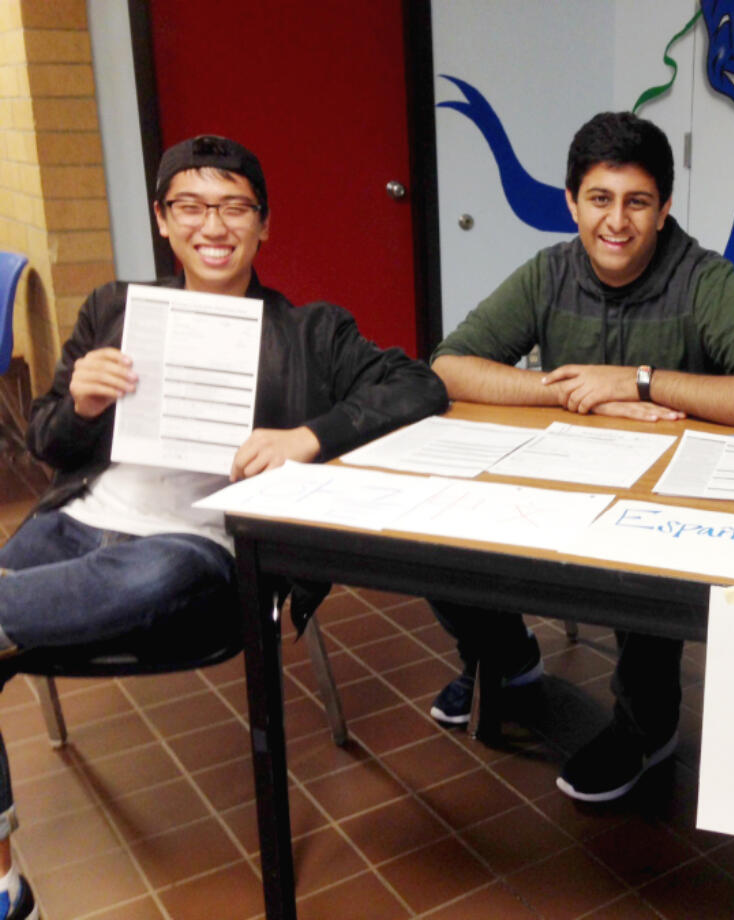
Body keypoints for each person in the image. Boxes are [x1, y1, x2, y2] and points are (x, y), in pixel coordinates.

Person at [0, 134, 448, 918]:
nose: (214, 225)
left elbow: (419, 385)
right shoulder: (115, 310)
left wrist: (305, 438)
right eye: (191, 206)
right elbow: (46, 442)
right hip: (81, 523)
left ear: (264, 226)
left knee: (156, 570)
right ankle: (6, 882)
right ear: (163, 221)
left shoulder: (310, 333)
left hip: (197, 551)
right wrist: (80, 405)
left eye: (235, 206)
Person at [427, 111, 734, 803]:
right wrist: (575, 393)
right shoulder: (549, 271)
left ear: (664, 209)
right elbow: (449, 364)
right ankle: (505, 659)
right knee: (434, 536)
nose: (617, 221)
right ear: (571, 202)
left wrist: (637, 380)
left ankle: (646, 729)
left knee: (636, 579)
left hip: (665, 499)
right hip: (560, 480)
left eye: (637, 202)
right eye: (599, 200)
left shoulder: (700, 278)